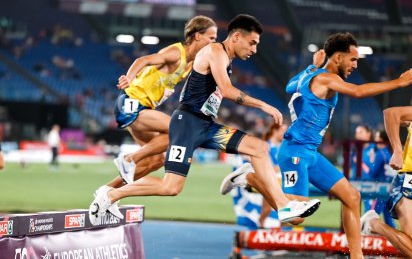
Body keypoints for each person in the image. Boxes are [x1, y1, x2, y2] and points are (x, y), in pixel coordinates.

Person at [89, 14, 321, 225]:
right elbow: (228, 91)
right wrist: (264, 105)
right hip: (187, 123)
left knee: (259, 148)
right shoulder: (214, 52)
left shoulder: (225, 59)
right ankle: (110, 194)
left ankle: (283, 206)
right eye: (252, 43)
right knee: (171, 187)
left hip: (205, 126)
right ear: (237, 36)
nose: (255, 49)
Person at [222, 32, 412, 258]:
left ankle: (356, 256)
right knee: (295, 217)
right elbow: (359, 92)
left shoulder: (312, 74)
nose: (355, 65)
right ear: (338, 57)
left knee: (352, 196)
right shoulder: (328, 78)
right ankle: (250, 177)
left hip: (310, 153)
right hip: (295, 153)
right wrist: (399, 82)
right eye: (352, 59)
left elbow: (289, 87)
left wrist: (314, 66)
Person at [93, 15, 217, 219]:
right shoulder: (176, 53)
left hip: (143, 108)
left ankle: (106, 193)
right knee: (179, 130)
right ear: (197, 36)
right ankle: (129, 158)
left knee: (158, 160)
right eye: (211, 38)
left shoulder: (190, 64)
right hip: (131, 103)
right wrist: (129, 77)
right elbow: (143, 60)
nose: (213, 42)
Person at [360, 107, 412, 257]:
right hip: (409, 182)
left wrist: (406, 122)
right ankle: (373, 223)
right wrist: (397, 150)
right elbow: (391, 114)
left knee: (407, 250)